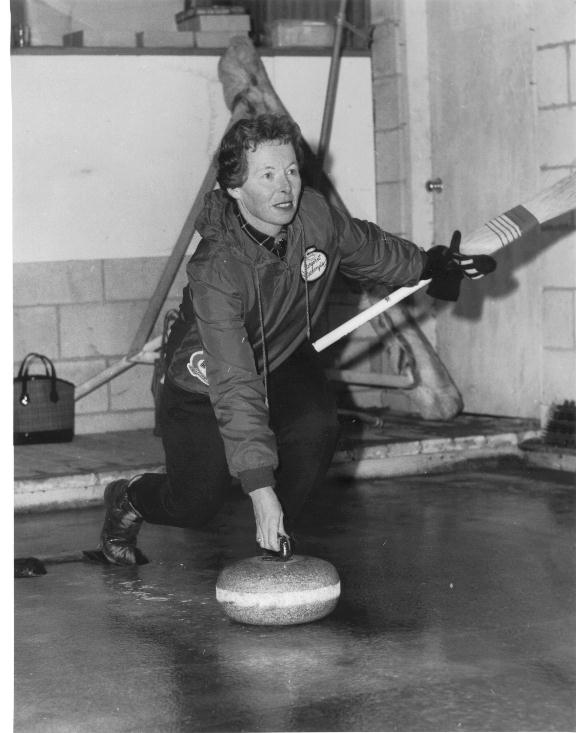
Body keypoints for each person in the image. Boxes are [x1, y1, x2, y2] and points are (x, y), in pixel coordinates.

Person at [97, 113, 494, 565]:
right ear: (234, 187)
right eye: (266, 175)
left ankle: (274, 548)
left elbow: (370, 249)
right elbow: (233, 381)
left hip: (282, 356)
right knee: (196, 503)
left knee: (316, 430)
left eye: (290, 170)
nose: (284, 187)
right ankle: (128, 498)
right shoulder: (216, 270)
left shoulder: (314, 214)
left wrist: (434, 264)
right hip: (208, 381)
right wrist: (260, 488)